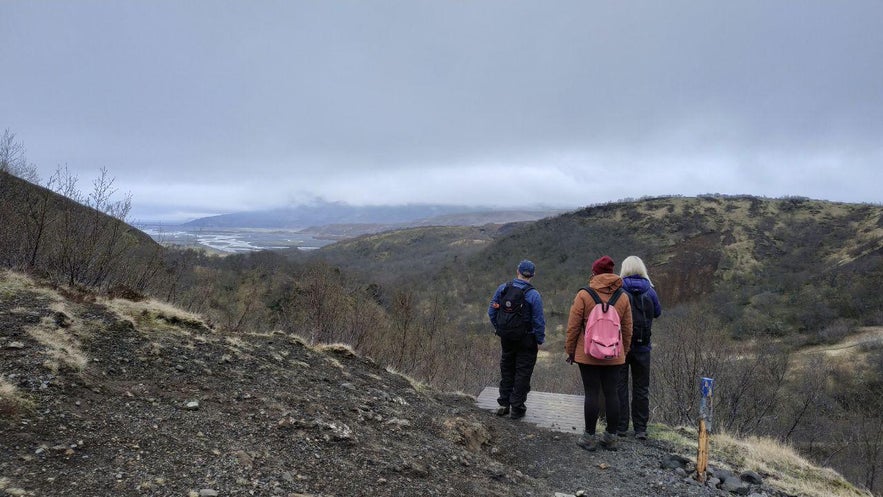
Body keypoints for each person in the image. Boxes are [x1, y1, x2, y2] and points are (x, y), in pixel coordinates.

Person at [565, 255, 632, 451]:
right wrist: (623, 352)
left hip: (587, 354)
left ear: (594, 272)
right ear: (612, 274)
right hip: (614, 354)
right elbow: (627, 329)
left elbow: (573, 327)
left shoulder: (584, 295)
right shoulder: (623, 297)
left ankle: (589, 437)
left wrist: (570, 351)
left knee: (591, 393)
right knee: (612, 393)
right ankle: (610, 437)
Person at [488, 259, 546, 420]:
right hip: (527, 339)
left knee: (507, 367)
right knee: (523, 371)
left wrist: (500, 328)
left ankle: (503, 403)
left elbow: (491, 312)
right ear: (532, 275)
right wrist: (539, 339)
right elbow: (539, 321)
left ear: (517, 271)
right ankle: (517, 408)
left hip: (506, 337)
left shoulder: (503, 288)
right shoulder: (533, 294)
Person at [616, 255, 662, 440]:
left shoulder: (619, 290)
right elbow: (657, 313)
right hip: (643, 346)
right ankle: (640, 428)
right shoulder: (650, 291)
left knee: (620, 386)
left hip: (621, 346)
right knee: (641, 387)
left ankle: (620, 426)